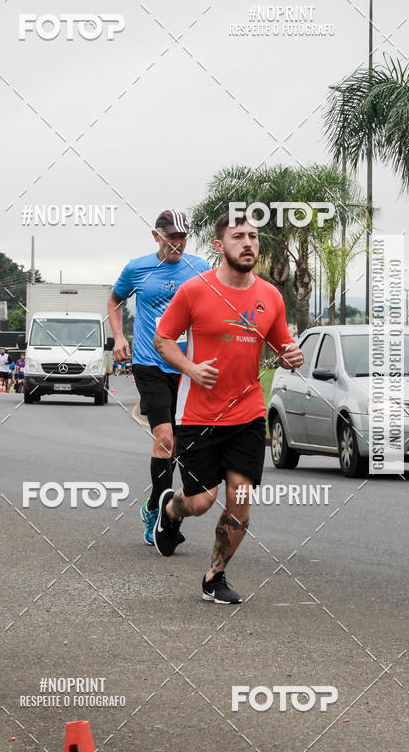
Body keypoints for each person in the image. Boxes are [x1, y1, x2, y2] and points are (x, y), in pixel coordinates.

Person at [152, 214, 304, 604]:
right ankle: (171, 509)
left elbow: (282, 346)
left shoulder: (270, 296)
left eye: (253, 236)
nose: (248, 243)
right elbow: (163, 339)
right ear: (220, 246)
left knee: (240, 496)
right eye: (238, 236)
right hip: (198, 414)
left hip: (248, 413)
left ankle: (214, 576)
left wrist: (291, 356)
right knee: (201, 502)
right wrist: (189, 367)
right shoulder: (194, 290)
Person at [107, 210, 210, 546]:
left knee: (181, 444)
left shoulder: (200, 268)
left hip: (186, 366)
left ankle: (157, 505)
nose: (177, 243)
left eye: (183, 237)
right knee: (164, 438)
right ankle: (162, 512)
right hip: (150, 363)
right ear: (156, 236)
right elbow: (114, 301)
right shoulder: (137, 268)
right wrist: (120, 337)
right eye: (171, 237)